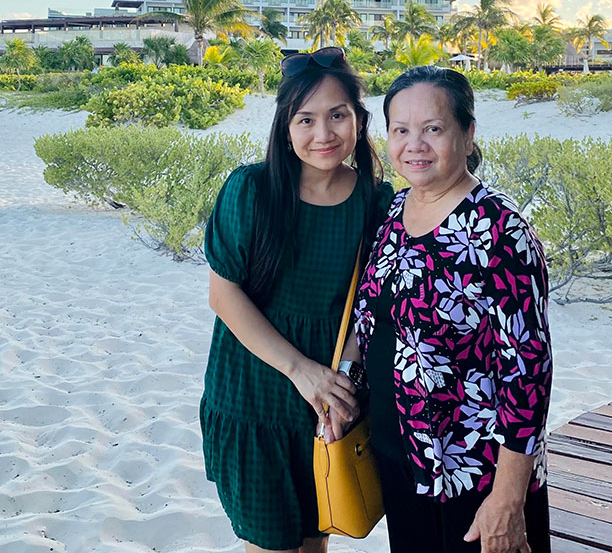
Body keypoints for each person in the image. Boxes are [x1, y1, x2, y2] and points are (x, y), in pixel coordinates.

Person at [332, 66, 553, 553]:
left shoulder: (500, 230)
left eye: (433, 129)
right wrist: (343, 382)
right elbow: (370, 316)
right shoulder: (395, 212)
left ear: (468, 133)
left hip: (476, 476)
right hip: (403, 460)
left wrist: (508, 496)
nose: (415, 145)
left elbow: (529, 371)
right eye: (401, 131)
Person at [199, 47, 393, 553]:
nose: (323, 134)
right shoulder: (252, 190)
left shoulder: (376, 201)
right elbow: (224, 295)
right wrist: (299, 370)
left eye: (337, 116)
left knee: (315, 542)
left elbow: (368, 307)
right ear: (285, 127)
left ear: (359, 120)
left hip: (327, 400)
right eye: (305, 119)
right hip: (253, 394)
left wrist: (341, 383)